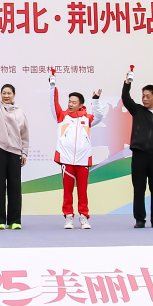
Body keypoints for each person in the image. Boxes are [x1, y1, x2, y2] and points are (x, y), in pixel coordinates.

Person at [120, 71, 153, 229]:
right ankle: (140, 219)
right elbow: (125, 98)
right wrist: (127, 83)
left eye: (148, 96)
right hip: (139, 156)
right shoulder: (137, 110)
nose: (144, 99)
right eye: (143, 96)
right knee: (139, 188)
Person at [51, 77, 105, 229]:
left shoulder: (87, 119)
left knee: (83, 191)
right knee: (67, 192)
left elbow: (99, 117)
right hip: (66, 160)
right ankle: (68, 217)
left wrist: (95, 100)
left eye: (74, 102)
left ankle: (84, 217)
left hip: (82, 160)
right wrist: (52, 86)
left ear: (81, 105)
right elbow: (53, 104)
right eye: (69, 101)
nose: (70, 104)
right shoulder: (62, 116)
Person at [0, 61, 30, 229]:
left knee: (15, 187)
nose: (6, 95)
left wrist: (24, 153)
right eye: (3, 93)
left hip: (15, 152)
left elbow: (25, 134)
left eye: (9, 93)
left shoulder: (20, 112)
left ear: (14, 95)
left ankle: (14, 220)